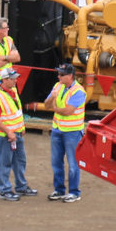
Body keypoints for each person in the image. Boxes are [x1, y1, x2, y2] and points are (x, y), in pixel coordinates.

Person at [0, 69, 37, 201]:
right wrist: (8, 132)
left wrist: (21, 127)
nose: (16, 81)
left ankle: (21, 186)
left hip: (16, 134)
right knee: (4, 163)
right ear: (4, 80)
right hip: (6, 137)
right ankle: (4, 190)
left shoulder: (13, 91)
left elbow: (17, 111)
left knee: (20, 161)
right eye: (13, 79)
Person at [45, 63, 87, 203]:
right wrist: (52, 99)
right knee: (56, 162)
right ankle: (59, 190)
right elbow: (46, 104)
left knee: (73, 163)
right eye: (58, 74)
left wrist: (55, 108)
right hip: (57, 129)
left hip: (72, 132)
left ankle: (74, 192)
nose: (59, 76)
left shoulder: (78, 91)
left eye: (62, 75)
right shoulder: (58, 86)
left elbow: (69, 111)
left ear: (70, 76)